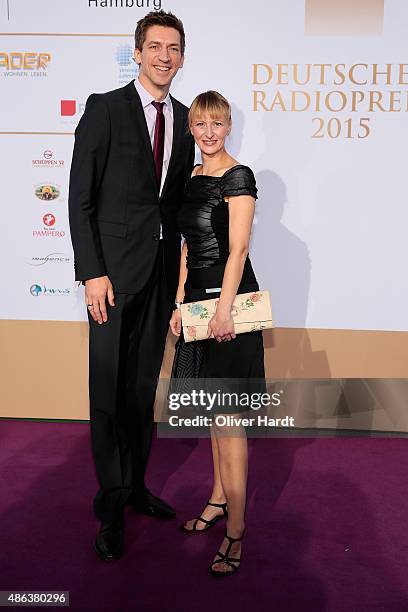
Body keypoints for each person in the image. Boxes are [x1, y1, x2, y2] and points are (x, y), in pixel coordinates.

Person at [68, 10, 194, 561]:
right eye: (156, 46)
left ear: (182, 57)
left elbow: (179, 206)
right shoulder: (105, 108)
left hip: (161, 278)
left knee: (141, 392)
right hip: (111, 281)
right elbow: (80, 199)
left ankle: (137, 485)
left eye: (175, 48)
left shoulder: (187, 119)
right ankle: (112, 502)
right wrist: (92, 271)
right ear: (138, 52)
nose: (165, 56)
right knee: (109, 394)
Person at [169, 91, 265, 577]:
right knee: (211, 412)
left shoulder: (238, 176)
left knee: (230, 422)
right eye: (200, 124)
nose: (208, 132)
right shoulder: (191, 176)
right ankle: (217, 498)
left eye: (217, 123)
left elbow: (238, 250)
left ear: (229, 127)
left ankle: (237, 531)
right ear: (191, 128)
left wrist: (224, 310)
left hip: (229, 307)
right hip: (199, 307)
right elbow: (188, 244)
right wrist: (181, 301)